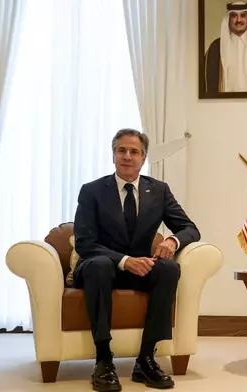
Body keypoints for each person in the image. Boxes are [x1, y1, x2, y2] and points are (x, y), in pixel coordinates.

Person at [73, 129, 200, 391]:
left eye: (134, 152)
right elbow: (85, 244)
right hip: (99, 264)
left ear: (143, 158)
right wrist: (124, 259)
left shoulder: (159, 190)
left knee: (168, 269)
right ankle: (103, 360)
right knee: (99, 265)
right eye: (121, 150)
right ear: (113, 155)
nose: (127, 156)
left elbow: (190, 228)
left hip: (138, 268)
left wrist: (171, 241)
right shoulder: (92, 191)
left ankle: (145, 359)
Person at [204, 1, 247, 93]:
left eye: (243, 15)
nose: (238, 20)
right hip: (227, 105)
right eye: (234, 16)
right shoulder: (216, 47)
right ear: (228, 19)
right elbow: (208, 83)